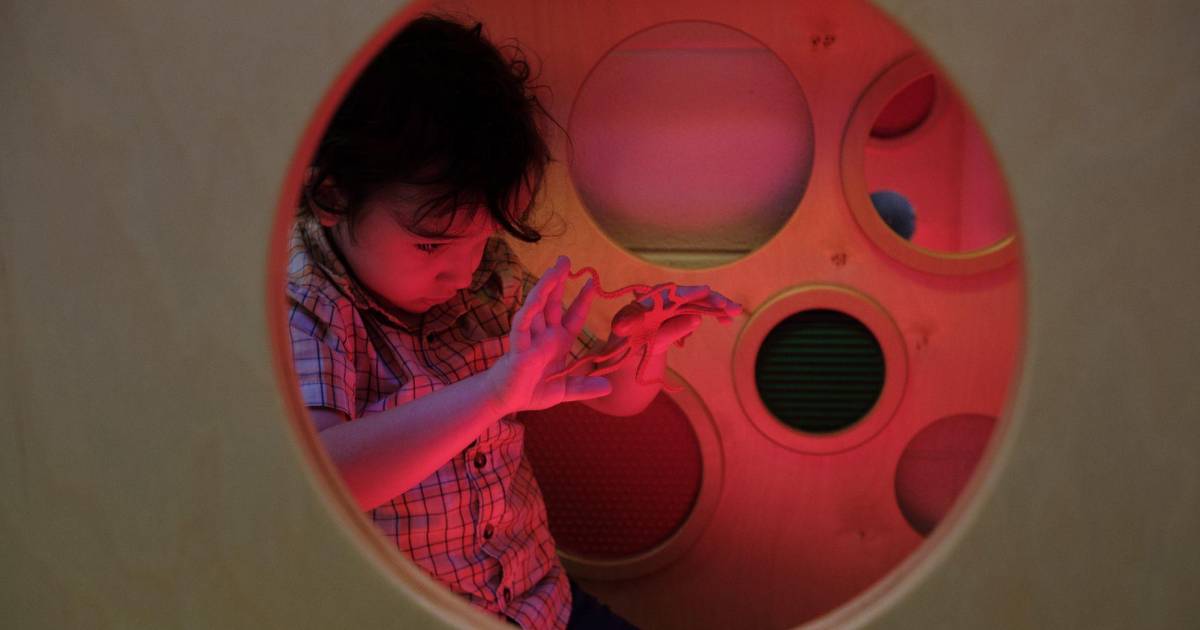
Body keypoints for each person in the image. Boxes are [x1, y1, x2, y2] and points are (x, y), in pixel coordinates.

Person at [285, 14, 740, 630]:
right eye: (431, 245)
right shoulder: (309, 297)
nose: (462, 271)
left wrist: (638, 346)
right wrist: (495, 392)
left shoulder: (489, 279)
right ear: (333, 197)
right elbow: (329, 477)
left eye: (483, 238)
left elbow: (616, 397)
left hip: (539, 600)